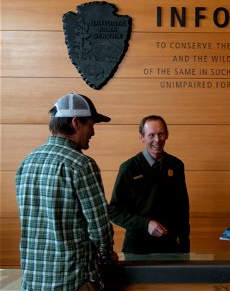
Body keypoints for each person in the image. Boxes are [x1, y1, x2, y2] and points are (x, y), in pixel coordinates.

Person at [16, 93, 116, 291]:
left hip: (33, 281)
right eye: (91, 124)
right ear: (76, 122)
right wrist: (106, 256)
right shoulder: (81, 165)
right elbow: (99, 227)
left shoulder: (26, 163)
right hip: (73, 280)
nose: (93, 132)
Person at [109, 115, 190, 254]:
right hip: (137, 249)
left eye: (160, 134)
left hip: (170, 248)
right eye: (151, 135)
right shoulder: (128, 168)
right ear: (142, 137)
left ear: (167, 134)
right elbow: (114, 211)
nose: (157, 140)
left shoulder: (176, 165)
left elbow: (182, 208)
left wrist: (184, 245)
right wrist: (145, 224)